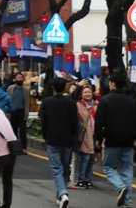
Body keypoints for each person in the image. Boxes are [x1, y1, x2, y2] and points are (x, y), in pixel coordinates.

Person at [94, 73, 136, 208]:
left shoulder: (105, 100)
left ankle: (120, 186)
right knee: (127, 170)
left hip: (112, 140)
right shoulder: (133, 102)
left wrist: (98, 141)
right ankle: (127, 202)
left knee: (108, 167)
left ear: (113, 84)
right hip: (129, 141)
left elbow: (99, 122)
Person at [39, 77, 80, 208]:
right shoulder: (71, 103)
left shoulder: (46, 102)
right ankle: (60, 196)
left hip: (53, 139)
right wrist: (74, 138)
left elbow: (43, 122)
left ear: (52, 88)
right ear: (65, 88)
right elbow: (75, 123)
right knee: (65, 167)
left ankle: (62, 193)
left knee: (57, 169)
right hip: (68, 139)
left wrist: (45, 136)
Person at [72, 81, 98, 189]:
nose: (87, 94)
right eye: (85, 92)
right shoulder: (78, 105)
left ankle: (88, 179)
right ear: (81, 94)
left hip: (94, 134)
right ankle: (81, 179)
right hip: (83, 135)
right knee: (85, 157)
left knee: (92, 158)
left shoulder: (97, 105)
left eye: (89, 92)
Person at [7, 71, 28, 151]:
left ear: (23, 79)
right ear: (14, 79)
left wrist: (26, 114)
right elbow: (7, 100)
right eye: (17, 78)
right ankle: (14, 147)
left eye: (21, 78)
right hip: (13, 112)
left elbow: (27, 103)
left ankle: (23, 148)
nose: (19, 79)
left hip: (21, 111)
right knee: (13, 130)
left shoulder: (25, 90)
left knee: (23, 131)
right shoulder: (10, 88)